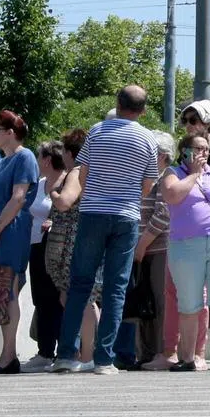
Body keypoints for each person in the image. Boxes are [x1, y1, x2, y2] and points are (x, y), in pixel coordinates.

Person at [53, 86, 159, 375]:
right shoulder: (148, 139)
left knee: (80, 284)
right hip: (126, 216)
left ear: (117, 103)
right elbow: (148, 186)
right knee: (116, 288)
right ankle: (104, 360)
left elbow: (82, 172)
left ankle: (65, 355)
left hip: (93, 213)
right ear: (143, 110)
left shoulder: (97, 131)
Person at [161, 133, 210, 372]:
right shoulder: (172, 173)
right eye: (198, 148)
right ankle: (187, 357)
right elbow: (172, 195)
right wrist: (194, 174)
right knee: (189, 303)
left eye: (207, 149)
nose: (204, 153)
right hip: (185, 245)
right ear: (185, 151)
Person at [0, 110, 40, 374]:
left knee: (9, 287)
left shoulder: (25, 157)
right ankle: (6, 354)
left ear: (9, 133)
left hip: (11, 230)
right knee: (1, 289)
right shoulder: (3, 161)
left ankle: (8, 355)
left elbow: (18, 198)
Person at [46, 129, 101, 372]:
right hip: (84, 237)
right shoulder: (95, 170)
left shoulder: (77, 172)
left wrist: (53, 191)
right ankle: (83, 353)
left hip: (72, 242)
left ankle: (86, 355)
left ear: (70, 152)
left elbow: (65, 202)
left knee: (81, 298)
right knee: (77, 297)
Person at [22, 141, 67, 373]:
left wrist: (54, 221)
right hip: (37, 246)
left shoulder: (68, 181)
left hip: (59, 247)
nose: (37, 162)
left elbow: (70, 209)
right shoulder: (39, 185)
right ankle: (45, 351)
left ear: (48, 160)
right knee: (41, 299)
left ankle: (65, 350)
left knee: (59, 298)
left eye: (40, 157)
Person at [130, 132, 173, 369]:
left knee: (158, 302)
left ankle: (159, 352)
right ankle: (144, 353)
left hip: (158, 248)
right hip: (141, 249)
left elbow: (163, 214)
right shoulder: (145, 176)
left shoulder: (166, 176)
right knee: (143, 302)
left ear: (162, 156)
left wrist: (142, 243)